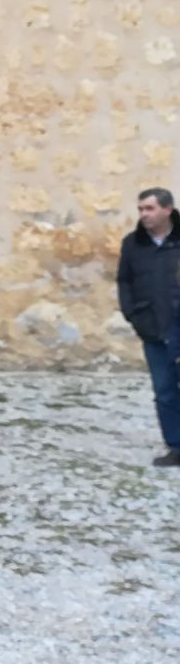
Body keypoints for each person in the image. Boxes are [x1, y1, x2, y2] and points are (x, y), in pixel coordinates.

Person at [117, 187, 180, 466]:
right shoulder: (133, 244)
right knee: (165, 390)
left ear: (168, 209)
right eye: (141, 209)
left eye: (150, 208)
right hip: (153, 328)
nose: (144, 214)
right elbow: (124, 281)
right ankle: (177, 446)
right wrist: (133, 314)